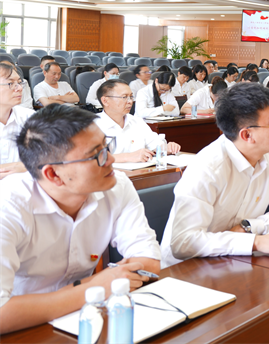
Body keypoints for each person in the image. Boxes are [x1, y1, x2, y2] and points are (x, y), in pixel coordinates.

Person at [0, 105, 161, 333]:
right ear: (53, 174)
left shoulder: (117, 185)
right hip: (24, 329)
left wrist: (90, 288)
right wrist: (92, 288)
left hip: (87, 317)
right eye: (97, 155)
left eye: (107, 147)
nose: (111, 159)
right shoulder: (8, 205)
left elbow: (149, 262)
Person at [160, 83, 269, 267]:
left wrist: (248, 227)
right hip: (187, 268)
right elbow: (183, 242)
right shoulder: (208, 167)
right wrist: (255, 242)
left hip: (236, 261)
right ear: (247, 135)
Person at [95, 81, 180, 162]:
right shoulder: (93, 126)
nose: (130, 101)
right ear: (105, 101)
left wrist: (167, 148)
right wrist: (128, 157)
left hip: (140, 171)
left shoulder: (137, 121)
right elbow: (93, 159)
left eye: (131, 97)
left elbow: (155, 144)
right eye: (124, 97)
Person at [0, 64, 34, 180]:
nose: (19, 88)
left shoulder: (30, 117)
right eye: (10, 83)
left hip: (24, 185)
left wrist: (25, 166)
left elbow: (46, 159)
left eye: (19, 82)